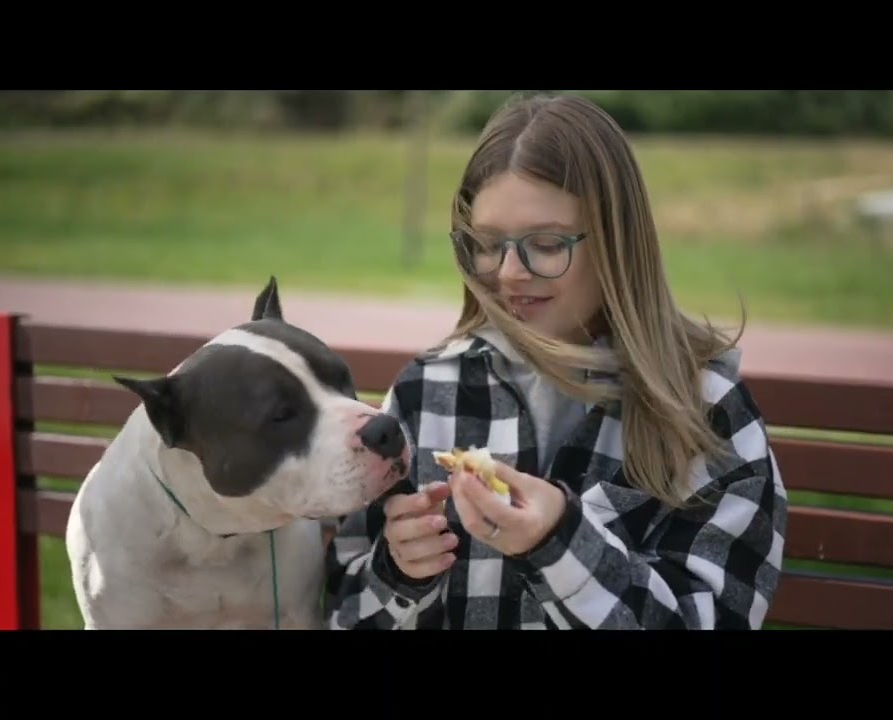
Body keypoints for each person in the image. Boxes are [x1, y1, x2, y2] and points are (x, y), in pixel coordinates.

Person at [322, 91, 787, 630]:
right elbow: (341, 610)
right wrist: (399, 571)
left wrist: (561, 544)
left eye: (544, 244)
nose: (509, 273)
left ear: (616, 241)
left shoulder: (706, 414)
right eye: (487, 243)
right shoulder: (426, 391)